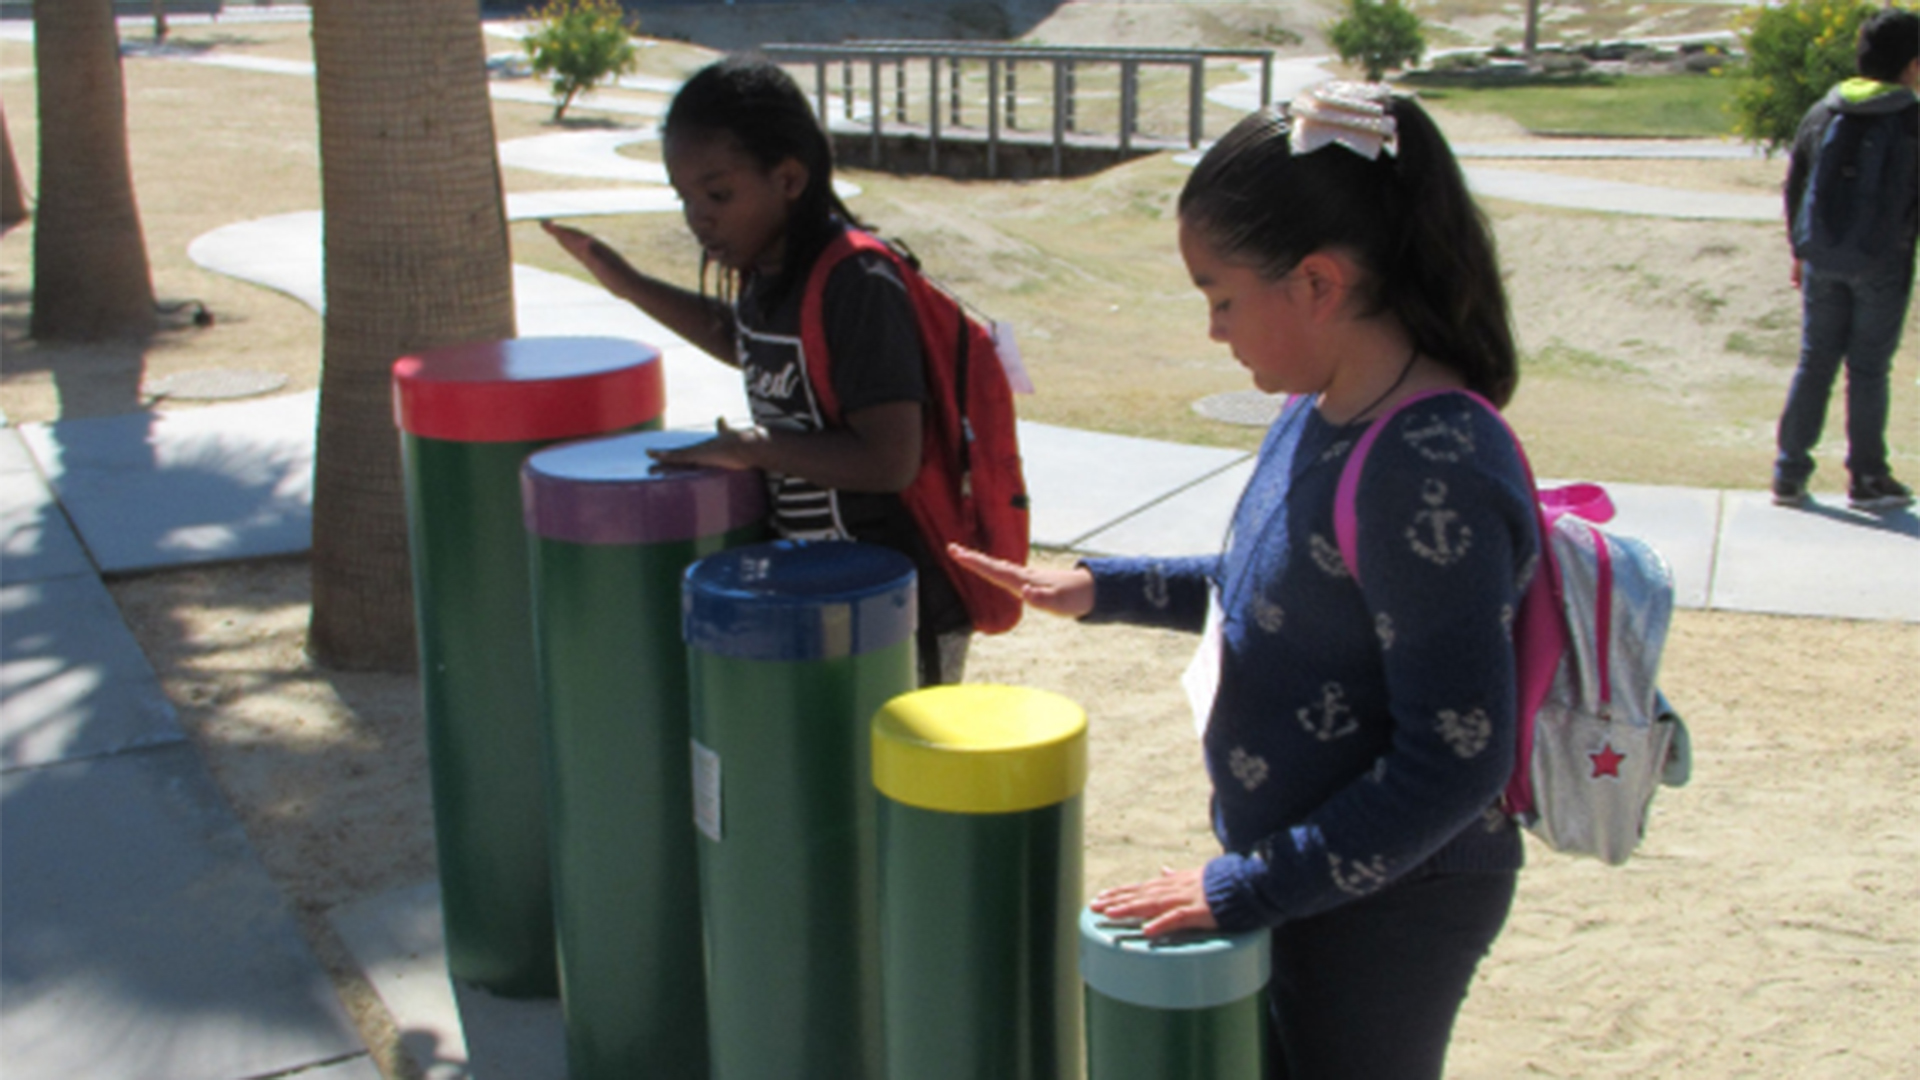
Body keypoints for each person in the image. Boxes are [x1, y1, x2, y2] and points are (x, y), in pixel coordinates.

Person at [952, 84, 1535, 1079]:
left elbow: (1456, 758)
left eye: (1220, 298)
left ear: (1317, 283)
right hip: (1309, 871)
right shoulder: (1323, 403)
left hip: (1393, 898)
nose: (1215, 330)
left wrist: (1248, 887)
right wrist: (1104, 588)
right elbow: (1276, 589)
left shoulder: (1428, 466)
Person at [543, 55, 971, 685]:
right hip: (821, 591)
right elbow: (746, 342)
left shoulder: (858, 281)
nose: (698, 217)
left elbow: (889, 460)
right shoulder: (769, 272)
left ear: (789, 178)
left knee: (877, 752)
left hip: (898, 607)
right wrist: (628, 284)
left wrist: (750, 449)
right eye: (685, 197)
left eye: (718, 194)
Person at [1773, 8, 1920, 511]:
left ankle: (1789, 473)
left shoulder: (1825, 110)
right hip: (1883, 263)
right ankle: (1868, 477)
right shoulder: (1910, 119)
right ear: (1911, 65)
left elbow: (1796, 183)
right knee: (1868, 369)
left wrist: (1799, 249)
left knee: (1815, 362)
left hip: (1821, 257)